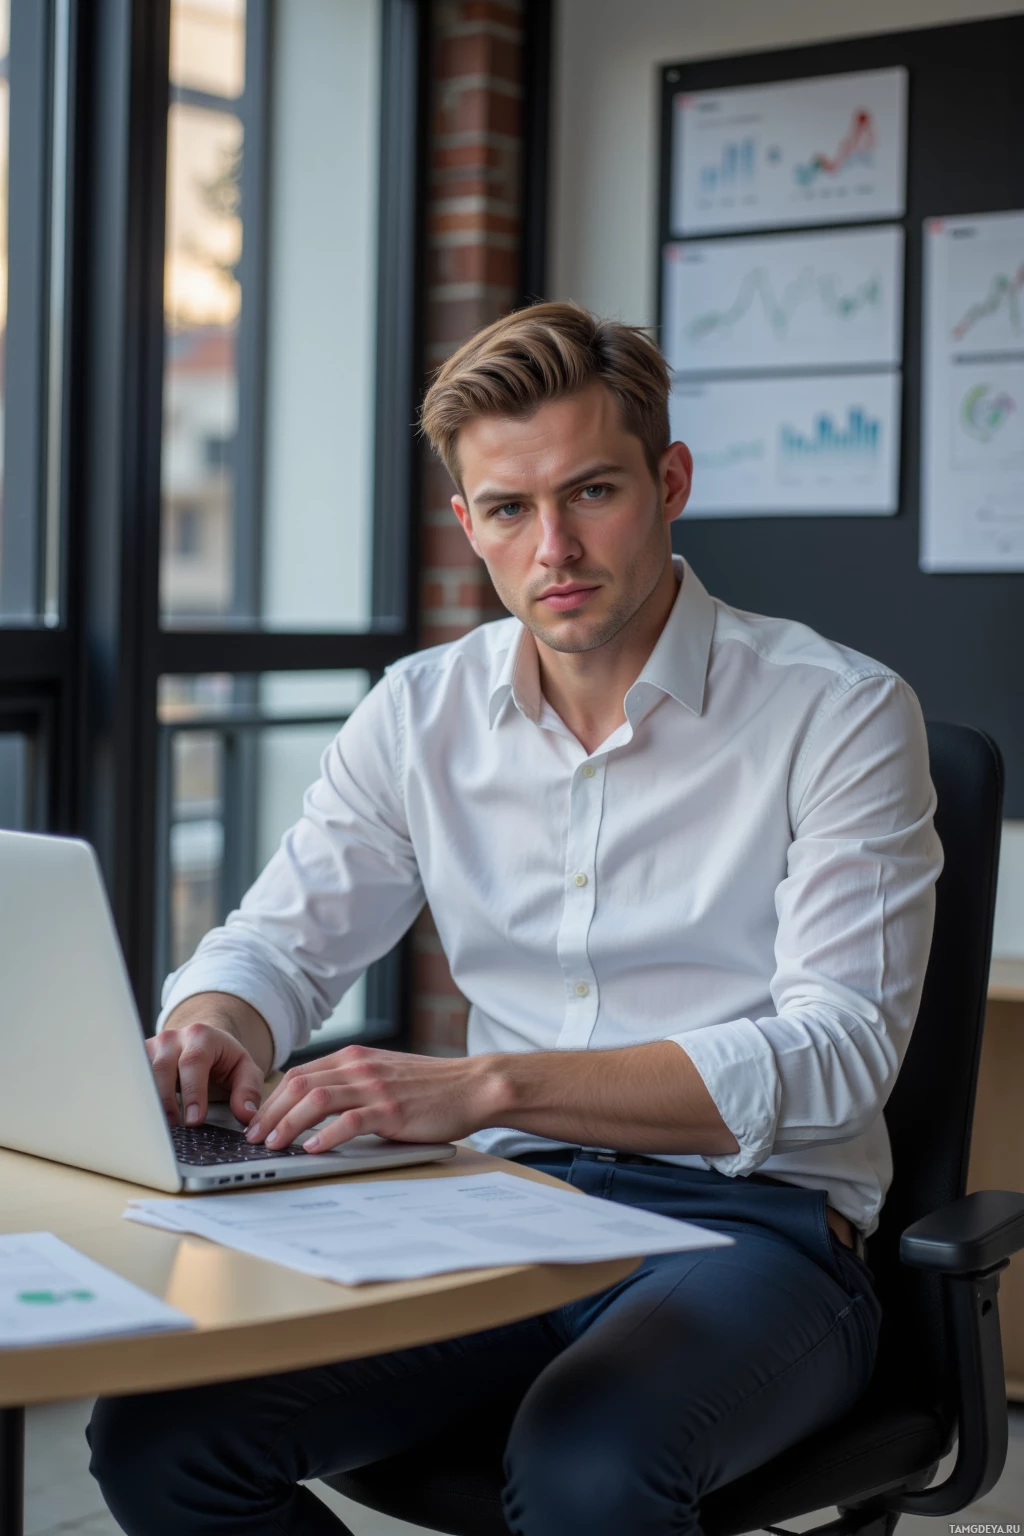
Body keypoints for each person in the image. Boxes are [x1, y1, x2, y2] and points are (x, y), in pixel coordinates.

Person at [87, 301, 943, 1536]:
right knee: (164, 1433)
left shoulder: (840, 714)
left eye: (590, 492)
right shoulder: (419, 713)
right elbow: (280, 938)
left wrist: (486, 1088)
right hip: (489, 1212)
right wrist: (219, 1019)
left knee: (587, 1466)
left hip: (753, 1231)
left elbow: (838, 1054)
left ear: (667, 482)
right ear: (468, 525)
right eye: (508, 510)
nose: (555, 548)